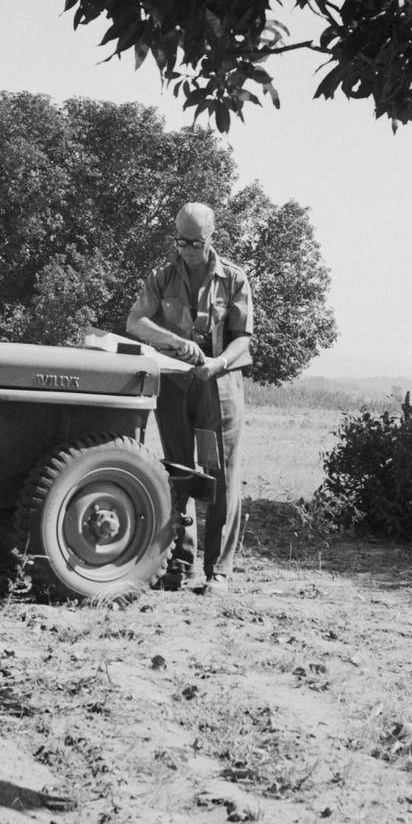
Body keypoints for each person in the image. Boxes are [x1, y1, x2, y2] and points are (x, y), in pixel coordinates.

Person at [126, 202, 254, 594]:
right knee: (177, 474)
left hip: (220, 387)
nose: (186, 250)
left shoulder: (234, 278)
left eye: (195, 243)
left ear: (211, 237)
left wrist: (217, 364)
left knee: (221, 477)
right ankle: (181, 567)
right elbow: (135, 321)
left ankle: (218, 572)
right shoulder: (161, 277)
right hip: (176, 386)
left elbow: (244, 338)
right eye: (180, 242)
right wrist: (175, 342)